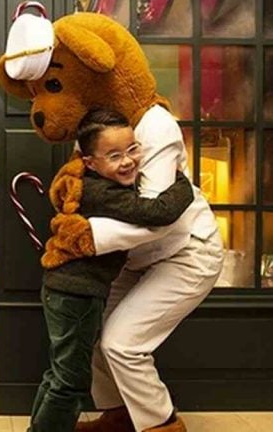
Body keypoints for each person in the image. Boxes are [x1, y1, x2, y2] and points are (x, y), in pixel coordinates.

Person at [32, 109, 195, 432]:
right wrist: (182, 182)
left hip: (67, 293)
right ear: (90, 162)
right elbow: (157, 211)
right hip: (75, 296)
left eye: (133, 149)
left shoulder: (93, 182)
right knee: (70, 381)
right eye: (114, 155)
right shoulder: (99, 192)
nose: (128, 161)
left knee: (59, 374)